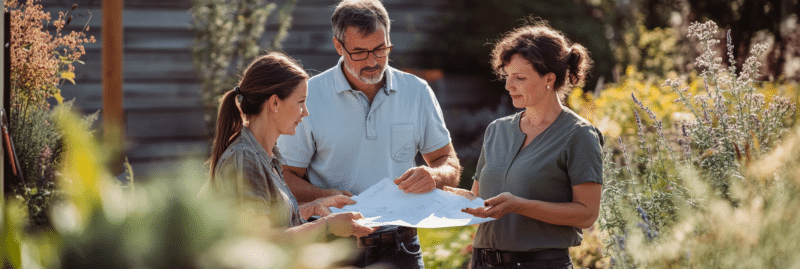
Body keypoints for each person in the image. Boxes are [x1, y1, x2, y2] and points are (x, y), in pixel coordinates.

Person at [276, 0, 462, 267]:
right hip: (333, 249)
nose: (373, 61)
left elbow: (448, 161)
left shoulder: (417, 91)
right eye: (360, 52)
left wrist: (434, 175)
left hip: (402, 248)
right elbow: (283, 176)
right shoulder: (310, 96)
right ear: (338, 46)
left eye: (380, 49)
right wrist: (325, 195)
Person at [458, 21, 604, 269]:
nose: (508, 86)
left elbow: (587, 213)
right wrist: (433, 190)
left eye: (520, 78)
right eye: (506, 77)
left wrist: (520, 206)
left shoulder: (579, 135)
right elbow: (476, 199)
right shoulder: (497, 130)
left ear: (549, 78)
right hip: (482, 262)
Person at [204, 52, 376, 239]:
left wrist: (314, 206)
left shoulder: (267, 155)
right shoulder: (245, 159)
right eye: (301, 102)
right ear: (275, 103)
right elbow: (260, 242)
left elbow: (274, 220)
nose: (306, 112)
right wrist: (327, 226)